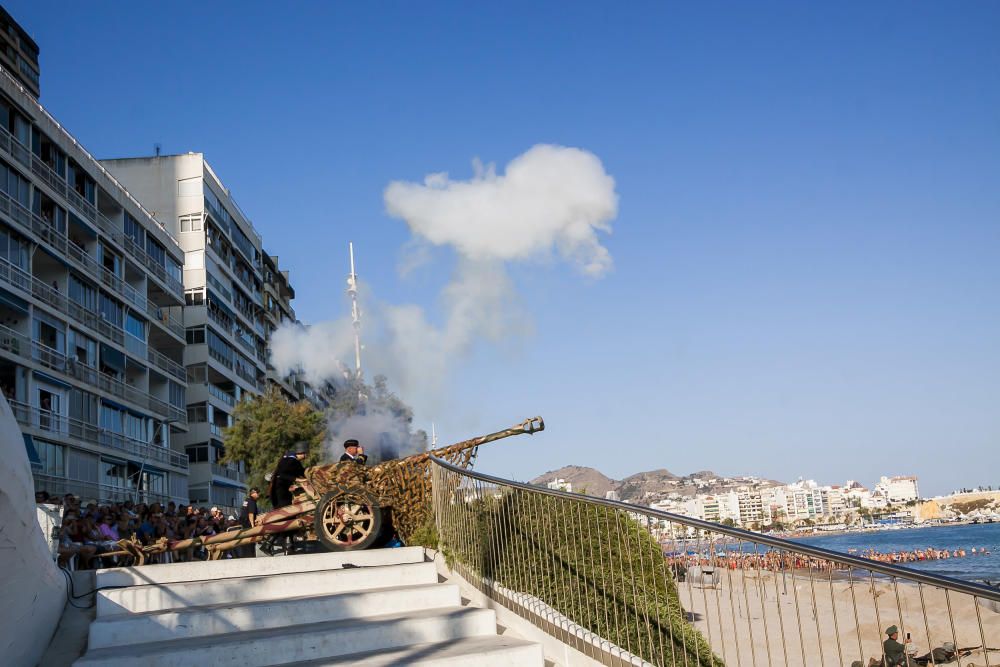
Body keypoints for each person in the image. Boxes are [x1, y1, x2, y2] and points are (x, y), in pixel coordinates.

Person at [269, 443, 307, 509]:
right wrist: (298, 479)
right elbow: (281, 474)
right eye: (306, 453)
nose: (307, 455)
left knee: (288, 506)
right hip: (280, 490)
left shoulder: (294, 461)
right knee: (284, 509)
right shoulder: (289, 460)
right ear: (302, 452)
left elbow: (302, 472)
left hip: (285, 489)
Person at [238, 487, 260, 558]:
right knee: (250, 541)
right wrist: (253, 527)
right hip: (247, 523)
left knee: (245, 541)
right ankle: (250, 556)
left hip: (243, 523)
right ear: (253, 493)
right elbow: (251, 514)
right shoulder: (251, 501)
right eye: (257, 493)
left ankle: (246, 555)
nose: (258, 494)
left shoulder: (247, 500)